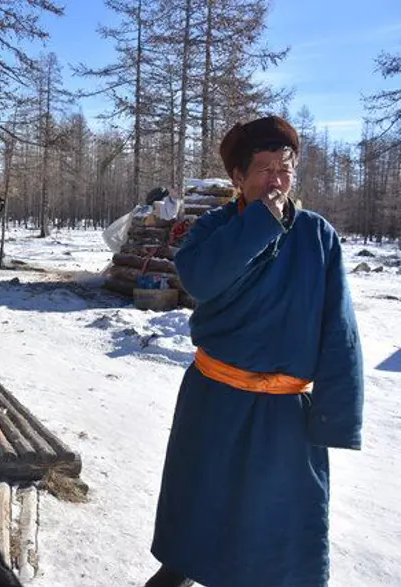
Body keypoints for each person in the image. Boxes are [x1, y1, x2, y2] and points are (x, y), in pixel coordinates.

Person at [145, 115, 364, 587]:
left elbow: (338, 328)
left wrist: (336, 415)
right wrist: (261, 224)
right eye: (264, 169)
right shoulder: (210, 232)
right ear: (237, 179)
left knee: (283, 537)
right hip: (215, 402)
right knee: (200, 515)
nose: (277, 180)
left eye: (285, 168)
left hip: (286, 415)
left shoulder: (318, 236)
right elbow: (201, 279)